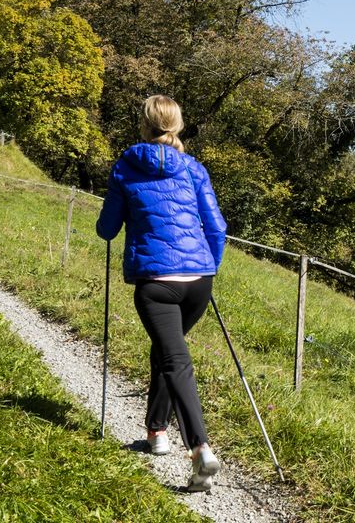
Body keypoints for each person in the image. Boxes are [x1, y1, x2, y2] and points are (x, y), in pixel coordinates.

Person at [95, 94, 229, 491]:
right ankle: (157, 432)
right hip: (197, 283)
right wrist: (209, 265)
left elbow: (106, 228)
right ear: (177, 124)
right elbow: (217, 228)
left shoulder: (126, 165)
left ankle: (200, 449)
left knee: (174, 359)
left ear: (144, 125)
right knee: (167, 353)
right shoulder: (193, 168)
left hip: (156, 284)